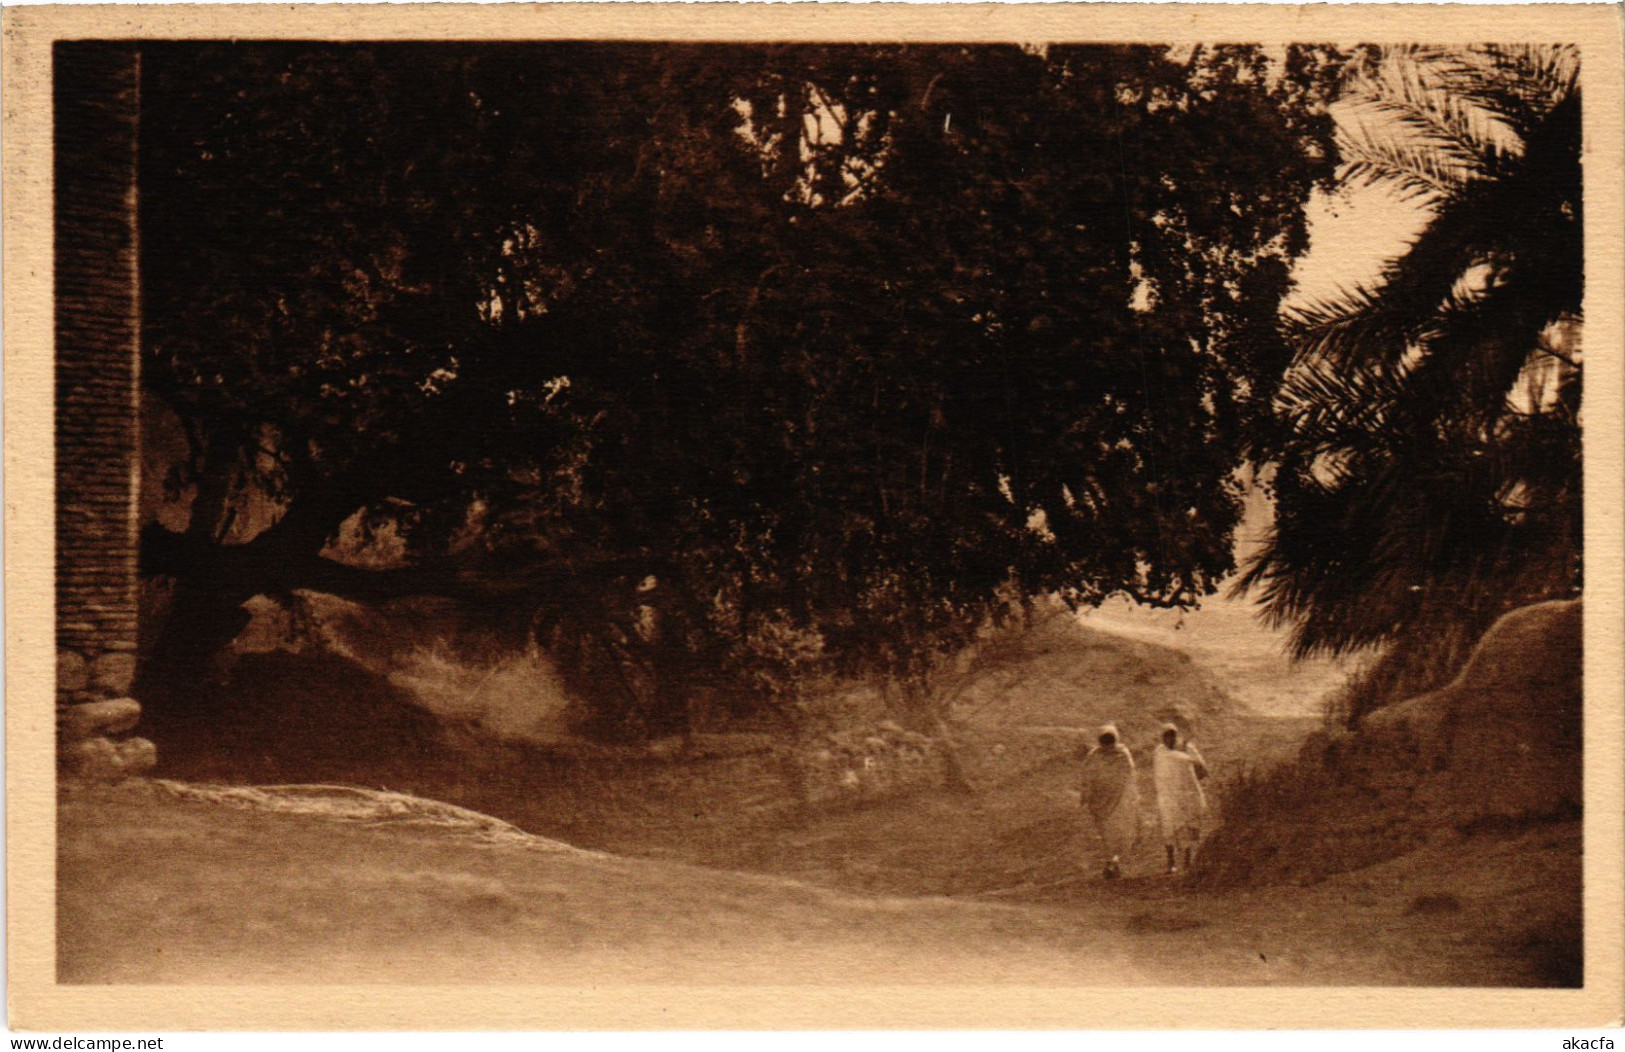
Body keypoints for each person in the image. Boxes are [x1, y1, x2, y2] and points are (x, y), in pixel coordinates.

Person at [1078, 724, 1140, 879]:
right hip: (1100, 802)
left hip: (1119, 800)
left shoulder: (1123, 754)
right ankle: (1111, 861)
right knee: (1106, 833)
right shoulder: (1094, 755)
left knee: (1118, 831)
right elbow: (1087, 777)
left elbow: (1129, 774)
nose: (1107, 744)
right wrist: (1086, 795)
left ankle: (1113, 861)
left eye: (1110, 740)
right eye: (1104, 740)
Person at [1152, 722, 1208, 875]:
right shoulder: (1159, 751)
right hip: (1167, 796)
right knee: (1169, 828)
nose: (1169, 739)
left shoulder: (1187, 748)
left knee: (1186, 826)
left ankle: (1187, 861)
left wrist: (1189, 777)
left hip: (1185, 794)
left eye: (1172, 735)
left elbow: (1203, 770)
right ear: (1162, 738)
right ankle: (1170, 862)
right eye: (1166, 736)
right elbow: (1158, 774)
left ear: (1176, 736)